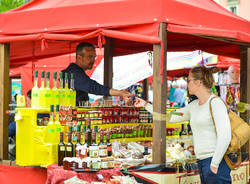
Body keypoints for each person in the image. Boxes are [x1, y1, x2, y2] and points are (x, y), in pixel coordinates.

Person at [135, 66, 232, 184]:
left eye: (189, 80)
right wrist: (146, 105)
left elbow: (225, 135)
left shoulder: (216, 103)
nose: (187, 84)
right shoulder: (194, 105)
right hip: (202, 162)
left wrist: (215, 163)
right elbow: (170, 117)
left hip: (215, 162)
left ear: (198, 82)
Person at [62, 42, 133, 105]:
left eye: (94, 57)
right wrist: (120, 93)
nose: (93, 60)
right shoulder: (73, 73)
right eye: (90, 57)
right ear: (79, 58)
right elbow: (93, 87)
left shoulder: (75, 71)